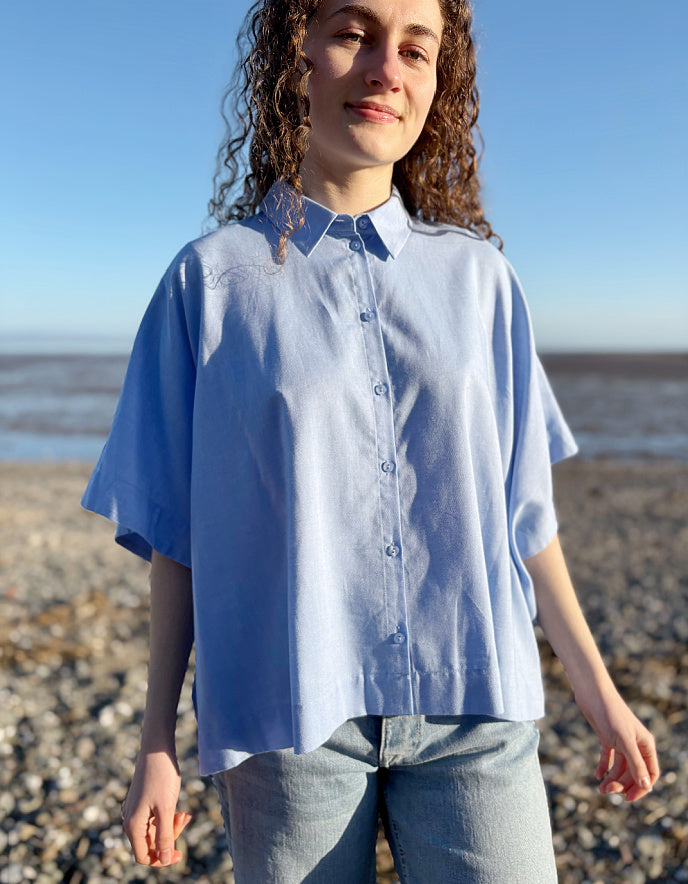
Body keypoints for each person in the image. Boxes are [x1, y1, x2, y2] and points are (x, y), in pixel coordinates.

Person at [82, 0, 660, 880]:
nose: (387, 69)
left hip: (478, 714)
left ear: (439, 81)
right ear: (296, 54)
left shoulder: (483, 282)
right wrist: (156, 740)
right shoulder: (209, 284)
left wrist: (600, 693)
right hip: (289, 720)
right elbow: (179, 534)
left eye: (416, 49)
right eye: (355, 34)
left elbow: (526, 518)